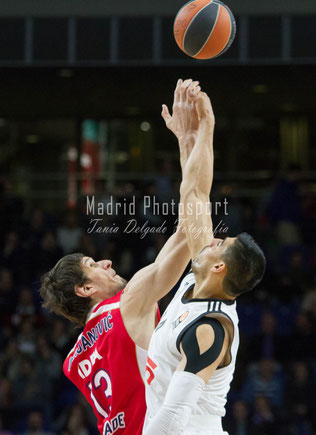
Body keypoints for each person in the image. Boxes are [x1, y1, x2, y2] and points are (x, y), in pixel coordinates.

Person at [40, 79, 202, 435]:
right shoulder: (126, 305)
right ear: (84, 290)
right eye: (93, 265)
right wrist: (188, 141)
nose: (107, 263)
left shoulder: (73, 360)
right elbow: (188, 232)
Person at [143, 88, 266, 434]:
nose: (211, 238)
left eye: (219, 243)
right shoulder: (200, 280)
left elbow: (172, 420)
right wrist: (196, 134)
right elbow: (195, 194)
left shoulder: (209, 330)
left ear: (219, 267)